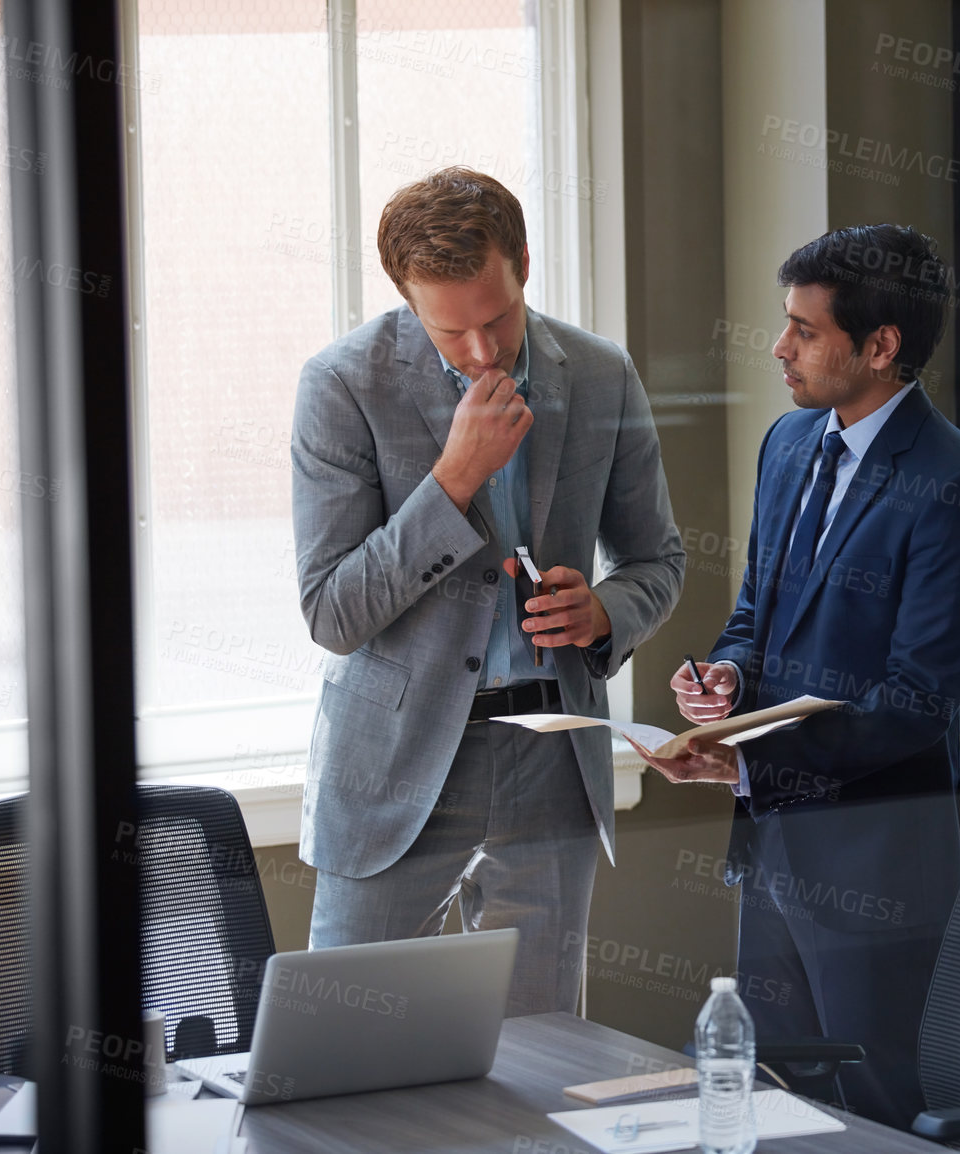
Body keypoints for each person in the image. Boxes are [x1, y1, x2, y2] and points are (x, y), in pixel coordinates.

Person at [291, 166, 684, 1014]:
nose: (480, 353)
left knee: (542, 1057)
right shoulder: (342, 386)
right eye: (449, 331)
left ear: (526, 264)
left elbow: (659, 559)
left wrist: (606, 611)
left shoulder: (603, 372)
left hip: (553, 754)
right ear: (406, 298)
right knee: (342, 1043)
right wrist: (453, 481)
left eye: (496, 318)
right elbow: (332, 611)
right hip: (395, 763)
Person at [644, 224, 960, 1127]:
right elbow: (751, 620)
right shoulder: (789, 443)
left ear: (881, 347)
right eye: (786, 324)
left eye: (805, 330)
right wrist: (725, 687)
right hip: (773, 848)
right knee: (769, 1105)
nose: (781, 347)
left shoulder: (957, 486)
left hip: (880, 864)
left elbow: (917, 704)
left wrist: (747, 763)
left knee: (882, 1112)